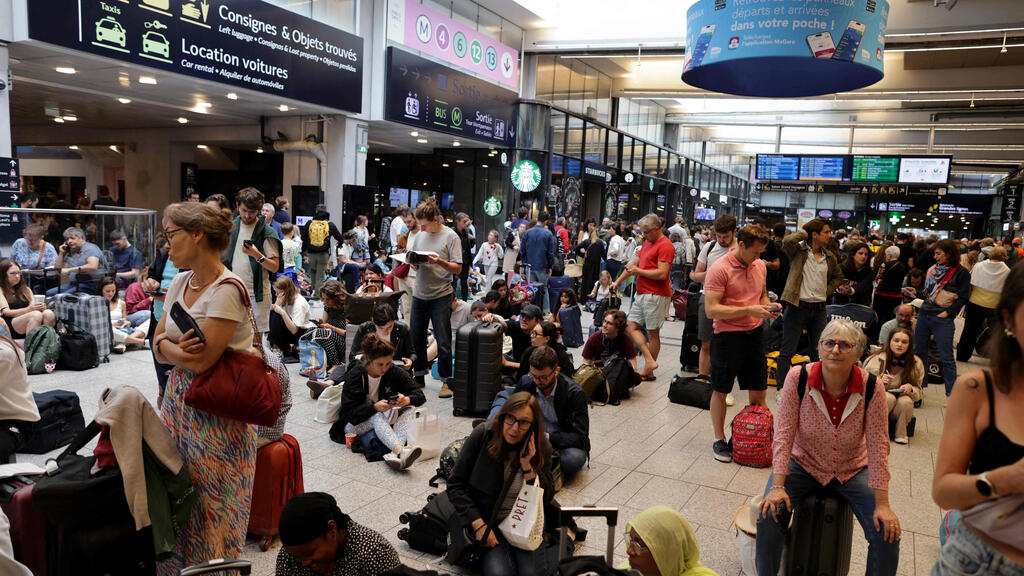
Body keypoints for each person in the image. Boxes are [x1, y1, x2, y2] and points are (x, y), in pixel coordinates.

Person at [150, 202, 260, 570]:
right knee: (177, 498)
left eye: (171, 235)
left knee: (213, 513)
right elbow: (156, 343)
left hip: (217, 418)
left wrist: (170, 349)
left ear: (197, 234)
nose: (167, 244)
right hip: (177, 407)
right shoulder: (181, 281)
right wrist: (172, 348)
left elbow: (201, 361)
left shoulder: (228, 288)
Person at [756, 319, 901, 575]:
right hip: (803, 463)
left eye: (845, 345)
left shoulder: (872, 386)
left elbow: (879, 445)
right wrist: (778, 486)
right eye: (829, 343)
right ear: (819, 348)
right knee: (769, 516)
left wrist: (883, 504)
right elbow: (784, 434)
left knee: (886, 532)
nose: (835, 350)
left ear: (858, 353)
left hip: (852, 468)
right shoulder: (798, 377)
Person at [930, 264, 1024, 573]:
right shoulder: (977, 389)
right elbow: (944, 490)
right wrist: (1003, 480)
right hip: (975, 558)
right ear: (1009, 318)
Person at [447, 392, 557, 576]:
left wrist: (528, 468)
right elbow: (455, 484)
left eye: (523, 423)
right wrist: (479, 525)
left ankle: (564, 540)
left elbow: (548, 496)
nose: (514, 428)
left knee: (532, 573)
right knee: (500, 573)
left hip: (525, 521)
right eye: (510, 419)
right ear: (503, 416)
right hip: (490, 520)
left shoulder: (541, 446)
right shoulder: (483, 434)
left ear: (533, 426)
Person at [704, 224, 778, 463]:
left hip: (755, 333)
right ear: (741, 245)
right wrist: (748, 309)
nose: (759, 258)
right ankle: (718, 438)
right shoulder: (719, 268)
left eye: (761, 253)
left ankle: (757, 435)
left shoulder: (758, 266)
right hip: (727, 336)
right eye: (755, 252)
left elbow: (762, 294)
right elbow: (711, 309)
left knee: (758, 388)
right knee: (721, 388)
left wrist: (767, 307)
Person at [336, 334, 427, 470]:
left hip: (386, 418)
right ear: (369, 360)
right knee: (376, 416)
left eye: (388, 363)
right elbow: (350, 414)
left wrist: (406, 399)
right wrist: (374, 408)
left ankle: (395, 454)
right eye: (380, 364)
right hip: (353, 425)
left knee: (410, 409)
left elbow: (419, 395)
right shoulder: (355, 375)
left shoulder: (392, 370)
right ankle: (401, 451)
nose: (384, 368)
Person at [776, 218, 845, 385]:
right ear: (815, 235)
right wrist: (805, 233)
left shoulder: (829, 257)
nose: (830, 235)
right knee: (787, 351)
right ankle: (782, 389)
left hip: (820, 308)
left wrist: (827, 290)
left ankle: (815, 386)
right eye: (826, 232)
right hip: (796, 306)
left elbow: (838, 277)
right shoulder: (798, 251)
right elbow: (786, 241)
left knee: (819, 352)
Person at [406, 198, 462, 399]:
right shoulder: (420, 235)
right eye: (420, 225)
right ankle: (419, 375)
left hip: (441, 294)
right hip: (420, 293)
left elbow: (458, 268)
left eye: (425, 225)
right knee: (417, 337)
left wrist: (440, 262)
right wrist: (414, 262)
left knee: (443, 338)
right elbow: (415, 259)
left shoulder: (451, 237)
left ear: (436, 220)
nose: (421, 228)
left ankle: (446, 380)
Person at [509, 346, 589, 480]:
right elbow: (512, 414)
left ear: (556, 371)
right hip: (530, 438)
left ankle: (546, 468)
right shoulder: (526, 382)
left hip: (558, 444)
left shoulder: (574, 394)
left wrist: (547, 438)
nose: (538, 381)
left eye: (543, 378)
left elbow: (581, 438)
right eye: (534, 376)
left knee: (573, 459)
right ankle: (546, 468)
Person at [276, 492, 400, 576]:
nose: (304, 562)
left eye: (310, 553)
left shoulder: (374, 556)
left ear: (331, 530)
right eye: (298, 558)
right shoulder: (291, 555)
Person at [611, 214, 673, 381]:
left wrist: (639, 272)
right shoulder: (648, 242)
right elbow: (633, 265)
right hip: (642, 292)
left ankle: (649, 369)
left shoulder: (666, 246)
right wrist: (617, 281)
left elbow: (662, 273)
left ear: (656, 229)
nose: (643, 235)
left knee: (653, 334)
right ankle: (650, 361)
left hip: (656, 294)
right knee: (630, 326)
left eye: (646, 232)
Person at [687, 214, 739, 399]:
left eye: (725, 237)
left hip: (732, 302)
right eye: (718, 236)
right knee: (706, 342)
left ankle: (726, 387)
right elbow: (694, 275)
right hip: (707, 298)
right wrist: (713, 274)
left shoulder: (740, 249)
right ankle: (703, 379)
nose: (721, 240)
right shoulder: (709, 247)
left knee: (728, 344)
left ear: (734, 232)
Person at [914, 238, 970, 403]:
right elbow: (926, 293)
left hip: (942, 319)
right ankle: (919, 389)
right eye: (935, 254)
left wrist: (948, 313)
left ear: (949, 253)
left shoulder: (961, 272)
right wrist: (914, 292)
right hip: (924, 314)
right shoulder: (933, 269)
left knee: (946, 357)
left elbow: (964, 298)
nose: (935, 257)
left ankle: (950, 394)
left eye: (938, 254)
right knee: (919, 353)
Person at [223, 187, 282, 334]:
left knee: (256, 342)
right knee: (230, 337)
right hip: (232, 290)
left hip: (257, 295)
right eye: (244, 210)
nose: (247, 216)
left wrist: (257, 255)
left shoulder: (267, 231)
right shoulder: (231, 227)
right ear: (237, 205)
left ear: (260, 210)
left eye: (252, 212)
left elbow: (275, 267)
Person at [863, 328, 924, 444]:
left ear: (909, 345)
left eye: (904, 342)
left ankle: (901, 434)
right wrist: (878, 381)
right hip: (877, 402)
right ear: (889, 341)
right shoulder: (876, 359)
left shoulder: (916, 363)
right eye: (896, 340)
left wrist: (911, 389)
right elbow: (862, 386)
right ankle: (874, 432)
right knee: (888, 397)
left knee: (906, 401)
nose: (899, 344)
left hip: (900, 404)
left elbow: (919, 395)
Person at [620, 506, 719, 576]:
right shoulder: (629, 569)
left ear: (666, 553)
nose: (629, 551)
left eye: (638, 544)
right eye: (630, 541)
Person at [957, 245, 1010, 362]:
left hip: (975, 303)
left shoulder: (978, 266)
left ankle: (962, 356)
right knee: (996, 333)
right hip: (994, 307)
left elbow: (970, 283)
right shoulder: (1007, 271)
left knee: (969, 331)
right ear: (1004, 256)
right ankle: (995, 359)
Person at [581, 310, 639, 403]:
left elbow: (633, 364)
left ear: (618, 328)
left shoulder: (625, 339)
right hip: (599, 374)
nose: (604, 325)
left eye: (609, 323)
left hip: (616, 373)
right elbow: (585, 362)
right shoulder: (595, 338)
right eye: (604, 321)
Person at [347, 304, 414, 370]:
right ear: (373, 321)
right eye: (381, 328)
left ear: (394, 321)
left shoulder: (402, 329)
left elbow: (412, 353)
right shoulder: (365, 328)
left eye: (390, 327)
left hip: (395, 372)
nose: (386, 332)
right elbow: (353, 356)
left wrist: (410, 361)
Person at [0, 259, 55, 338]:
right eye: (13, 273)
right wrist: (29, 309)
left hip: (29, 316)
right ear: (3, 275)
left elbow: (33, 305)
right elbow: (6, 312)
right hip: (12, 323)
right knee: (35, 315)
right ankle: (31, 348)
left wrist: (40, 307)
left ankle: (46, 344)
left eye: (19, 272)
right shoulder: (1, 290)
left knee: (48, 313)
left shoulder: (26, 289)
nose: (17, 276)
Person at [505, 320, 575, 380]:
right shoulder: (529, 351)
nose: (531, 336)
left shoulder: (562, 357)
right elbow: (521, 377)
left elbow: (565, 382)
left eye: (535, 333)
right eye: (532, 332)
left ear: (547, 338)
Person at [269, 275, 314, 361]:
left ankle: (283, 348)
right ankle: (277, 346)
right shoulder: (285, 298)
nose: (276, 295)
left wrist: (282, 312)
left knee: (277, 315)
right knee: (274, 313)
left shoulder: (299, 303)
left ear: (285, 292)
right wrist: (277, 304)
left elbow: (294, 330)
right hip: (291, 329)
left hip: (301, 332)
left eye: (278, 293)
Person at [49, 226, 105, 296]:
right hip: (74, 284)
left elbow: (93, 266)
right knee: (49, 293)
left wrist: (69, 270)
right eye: (67, 239)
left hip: (91, 284)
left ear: (82, 238)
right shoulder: (72, 251)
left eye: (72, 238)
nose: (69, 241)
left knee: (63, 296)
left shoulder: (90, 248)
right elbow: (59, 271)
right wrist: (61, 253)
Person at [302, 205, 345, 295]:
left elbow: (304, 237)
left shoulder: (309, 223)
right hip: (323, 253)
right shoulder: (329, 224)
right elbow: (339, 237)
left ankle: (313, 290)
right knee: (320, 273)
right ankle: (318, 294)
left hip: (311, 252)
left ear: (316, 212)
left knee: (312, 271)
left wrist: (304, 252)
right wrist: (340, 243)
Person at [99, 277, 147, 354]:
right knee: (109, 329)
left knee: (150, 320)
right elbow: (98, 324)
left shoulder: (121, 303)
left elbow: (125, 320)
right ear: (101, 290)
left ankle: (123, 342)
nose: (111, 293)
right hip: (109, 331)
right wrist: (113, 324)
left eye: (113, 291)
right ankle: (138, 341)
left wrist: (126, 322)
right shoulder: (97, 304)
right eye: (107, 291)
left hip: (122, 330)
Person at [520, 214, 556, 310]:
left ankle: (529, 310)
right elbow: (550, 253)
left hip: (529, 266)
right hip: (542, 266)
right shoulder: (548, 234)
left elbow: (522, 250)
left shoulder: (527, 233)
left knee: (530, 289)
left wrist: (523, 265)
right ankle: (545, 311)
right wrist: (550, 267)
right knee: (543, 289)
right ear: (545, 221)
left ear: (537, 219)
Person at [11, 224, 58, 293]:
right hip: (18, 276)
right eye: (28, 239)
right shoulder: (19, 242)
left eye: (34, 240)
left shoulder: (49, 248)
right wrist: (15, 265)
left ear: (41, 237)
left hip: (37, 280)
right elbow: (10, 261)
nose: (30, 242)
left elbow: (53, 271)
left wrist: (30, 272)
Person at [873, 245, 907, 332]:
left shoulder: (884, 265)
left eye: (886, 255)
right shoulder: (903, 266)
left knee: (878, 318)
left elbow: (878, 279)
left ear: (889, 255)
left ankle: (875, 336)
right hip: (895, 297)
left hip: (881, 295)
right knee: (891, 319)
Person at [834, 241, 873, 306]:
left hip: (860, 306)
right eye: (860, 253)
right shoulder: (841, 268)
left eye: (866, 254)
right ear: (853, 254)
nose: (863, 256)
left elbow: (863, 286)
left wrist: (850, 290)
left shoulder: (869, 272)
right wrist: (839, 288)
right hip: (840, 305)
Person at [453, 213, 474, 300]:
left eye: (467, 221)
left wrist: (472, 239)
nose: (466, 224)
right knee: (453, 281)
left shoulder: (468, 231)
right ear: (458, 221)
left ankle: (464, 300)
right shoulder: (452, 232)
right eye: (464, 221)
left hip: (465, 260)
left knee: (464, 281)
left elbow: (470, 246)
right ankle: (452, 300)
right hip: (454, 260)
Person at [278, 222, 303, 287]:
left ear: (281, 231)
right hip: (291, 270)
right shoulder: (296, 245)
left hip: (280, 271)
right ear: (292, 231)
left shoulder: (279, 243)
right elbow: (295, 258)